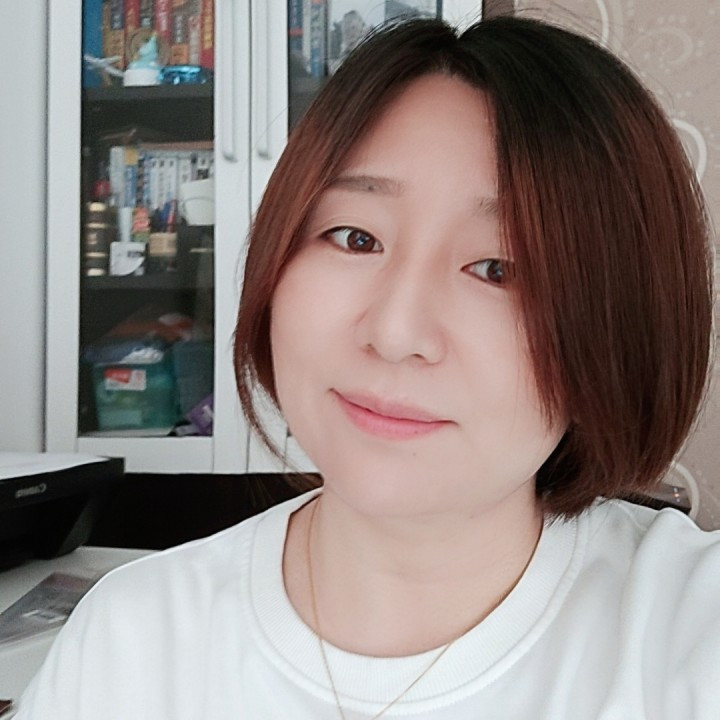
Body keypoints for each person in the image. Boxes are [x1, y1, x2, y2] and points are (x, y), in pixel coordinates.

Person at [17, 15, 717, 720]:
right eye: (355, 238)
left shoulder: (689, 633)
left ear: (620, 323)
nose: (394, 332)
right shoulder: (132, 641)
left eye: (499, 269)